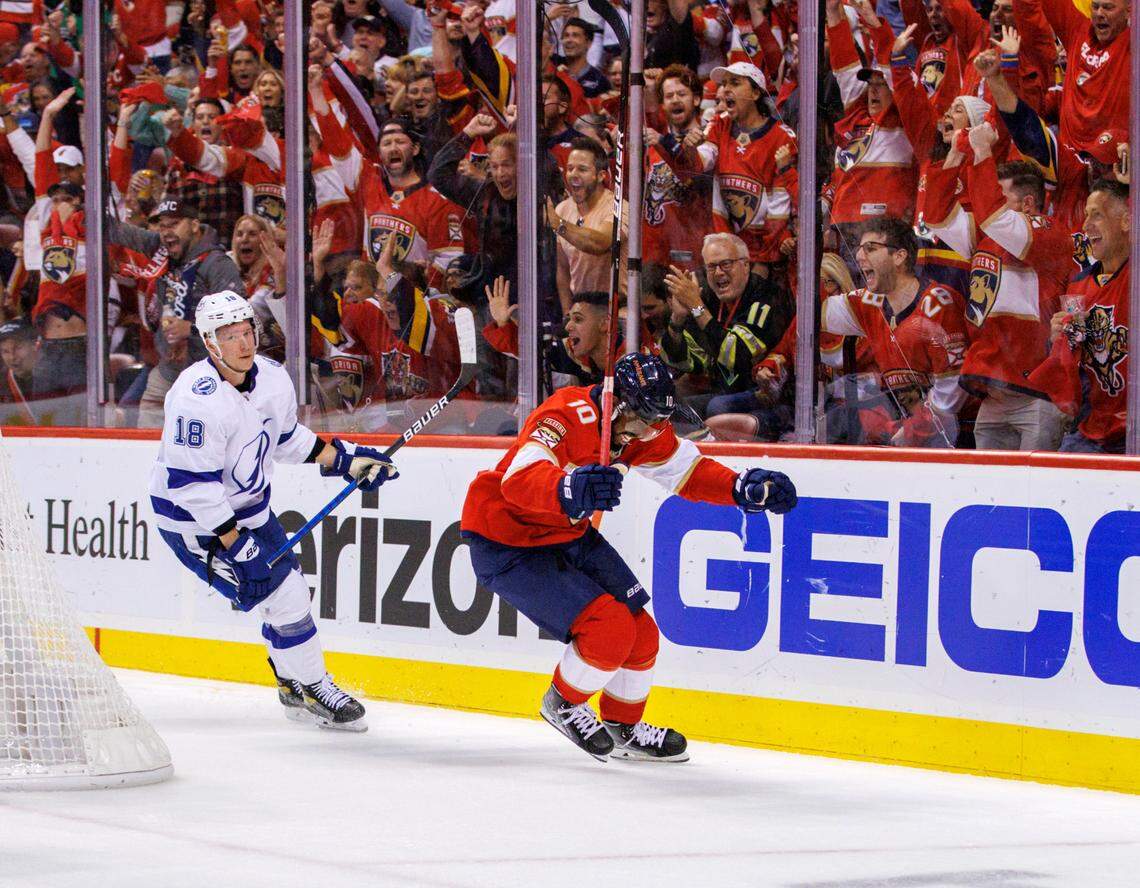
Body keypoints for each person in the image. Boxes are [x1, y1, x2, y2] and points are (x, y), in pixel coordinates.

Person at [459, 352, 797, 762]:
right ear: (616, 403)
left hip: (566, 534)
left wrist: (742, 488)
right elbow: (520, 478)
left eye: (657, 422)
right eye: (642, 420)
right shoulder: (567, 412)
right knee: (609, 629)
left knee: (641, 633)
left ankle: (624, 725)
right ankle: (563, 702)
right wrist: (568, 489)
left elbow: (687, 472)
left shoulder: (642, 429)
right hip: (506, 540)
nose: (648, 432)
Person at [150, 290, 398, 730]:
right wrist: (235, 543)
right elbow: (192, 488)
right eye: (230, 337)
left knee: (289, 594)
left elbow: (287, 439)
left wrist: (346, 461)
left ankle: (290, 683)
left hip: (249, 511)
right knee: (282, 596)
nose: (244, 344)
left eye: (247, 332)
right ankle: (316, 686)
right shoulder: (195, 399)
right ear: (210, 343)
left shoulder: (271, 377)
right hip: (197, 524)